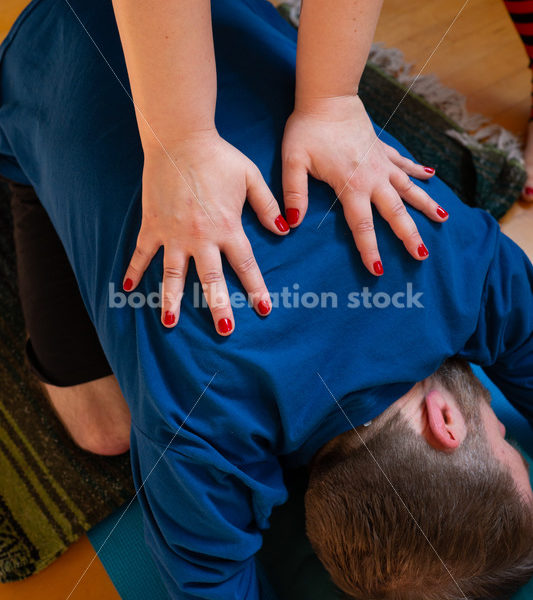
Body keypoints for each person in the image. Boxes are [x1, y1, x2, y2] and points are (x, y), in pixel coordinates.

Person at [0, 1, 532, 599]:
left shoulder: (467, 268)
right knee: (107, 431)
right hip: (52, 44)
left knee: (106, 430)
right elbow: (207, 584)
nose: (505, 424)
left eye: (509, 442)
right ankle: (26, 162)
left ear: (448, 422)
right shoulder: (201, 439)